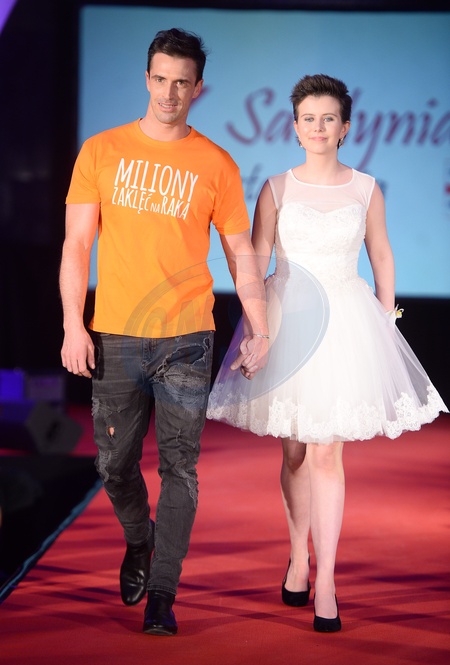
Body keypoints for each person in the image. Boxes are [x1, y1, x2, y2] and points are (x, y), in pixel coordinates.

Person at [207, 74, 448, 633]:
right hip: (288, 323)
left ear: (345, 127)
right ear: (295, 127)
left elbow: (381, 254)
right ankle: (298, 558)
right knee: (293, 452)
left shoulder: (365, 188)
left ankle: (329, 582)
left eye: (328, 118)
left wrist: (386, 320)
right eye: (308, 119)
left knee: (325, 454)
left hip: (344, 324)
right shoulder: (275, 188)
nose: (318, 127)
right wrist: (258, 329)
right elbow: (256, 262)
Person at [59, 28, 268, 637]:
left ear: (198, 88)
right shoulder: (101, 150)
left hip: (186, 337)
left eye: (182, 82)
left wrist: (258, 327)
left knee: (181, 467)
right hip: (116, 333)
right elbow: (76, 246)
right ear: (146, 79)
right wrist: (72, 324)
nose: (169, 92)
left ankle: (163, 593)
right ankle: (139, 539)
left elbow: (241, 255)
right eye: (160, 79)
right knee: (114, 466)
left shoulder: (217, 163)